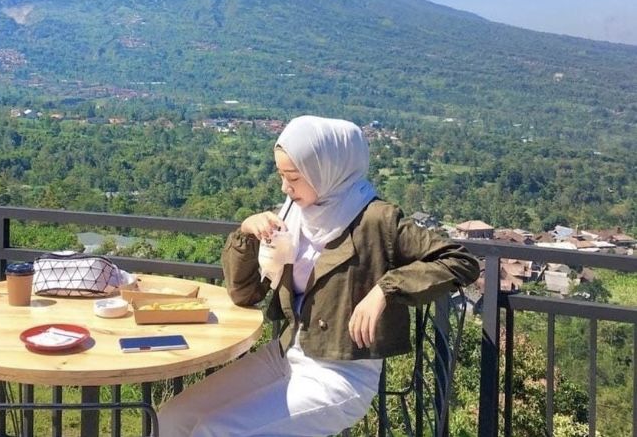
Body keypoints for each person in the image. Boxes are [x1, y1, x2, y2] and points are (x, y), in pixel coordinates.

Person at [157, 115, 480, 437]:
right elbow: (245, 294)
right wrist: (246, 234)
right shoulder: (293, 216)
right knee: (174, 416)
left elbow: (460, 261)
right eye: (282, 176)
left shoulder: (376, 220)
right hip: (286, 354)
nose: (285, 187)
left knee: (216, 431)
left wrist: (386, 289)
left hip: (340, 375)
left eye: (294, 178)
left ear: (326, 172)